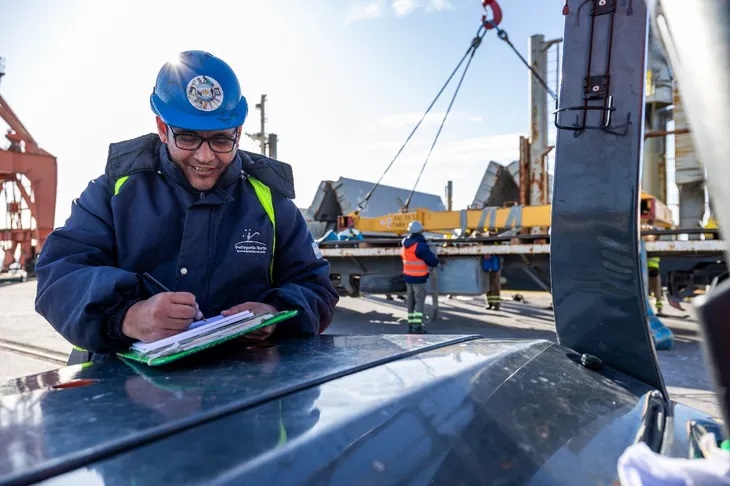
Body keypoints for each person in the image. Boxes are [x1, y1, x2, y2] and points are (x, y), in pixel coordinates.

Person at [34, 50, 339, 359]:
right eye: (188, 138)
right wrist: (129, 317)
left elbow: (316, 286)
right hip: (121, 383)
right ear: (162, 128)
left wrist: (274, 313)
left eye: (221, 140)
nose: (205, 157)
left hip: (244, 380)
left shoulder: (272, 202)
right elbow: (59, 275)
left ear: (238, 133)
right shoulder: (113, 192)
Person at [400, 220, 439, 334]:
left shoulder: (405, 242)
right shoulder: (420, 246)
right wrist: (436, 262)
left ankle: (410, 325)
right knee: (419, 302)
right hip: (418, 278)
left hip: (408, 277)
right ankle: (417, 327)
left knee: (411, 302)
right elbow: (432, 260)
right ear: (421, 231)